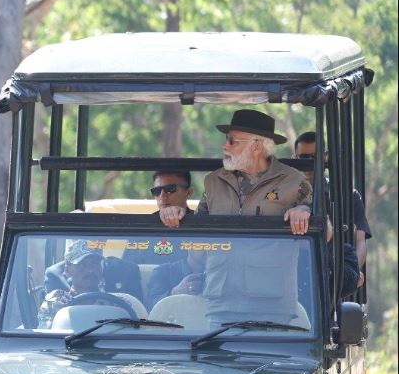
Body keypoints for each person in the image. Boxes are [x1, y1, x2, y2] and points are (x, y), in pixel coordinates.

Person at [158, 109, 312, 234]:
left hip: (269, 274)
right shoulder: (213, 181)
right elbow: (198, 233)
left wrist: (304, 212)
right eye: (226, 139)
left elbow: (327, 233)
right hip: (218, 273)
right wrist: (176, 213)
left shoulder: (294, 181)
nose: (225, 146)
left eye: (232, 141)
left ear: (256, 146)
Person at [295, 131, 370, 289]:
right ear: (295, 158)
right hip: (293, 276)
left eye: (314, 157)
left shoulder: (348, 196)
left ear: (325, 157)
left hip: (333, 280)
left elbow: (360, 241)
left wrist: (351, 272)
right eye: (303, 158)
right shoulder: (286, 194)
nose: (309, 163)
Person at [38, 240, 107, 328]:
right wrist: (60, 311)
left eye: (95, 263)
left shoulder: (117, 303)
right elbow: (45, 338)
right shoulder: (55, 301)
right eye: (82, 264)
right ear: (67, 269)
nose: (90, 270)